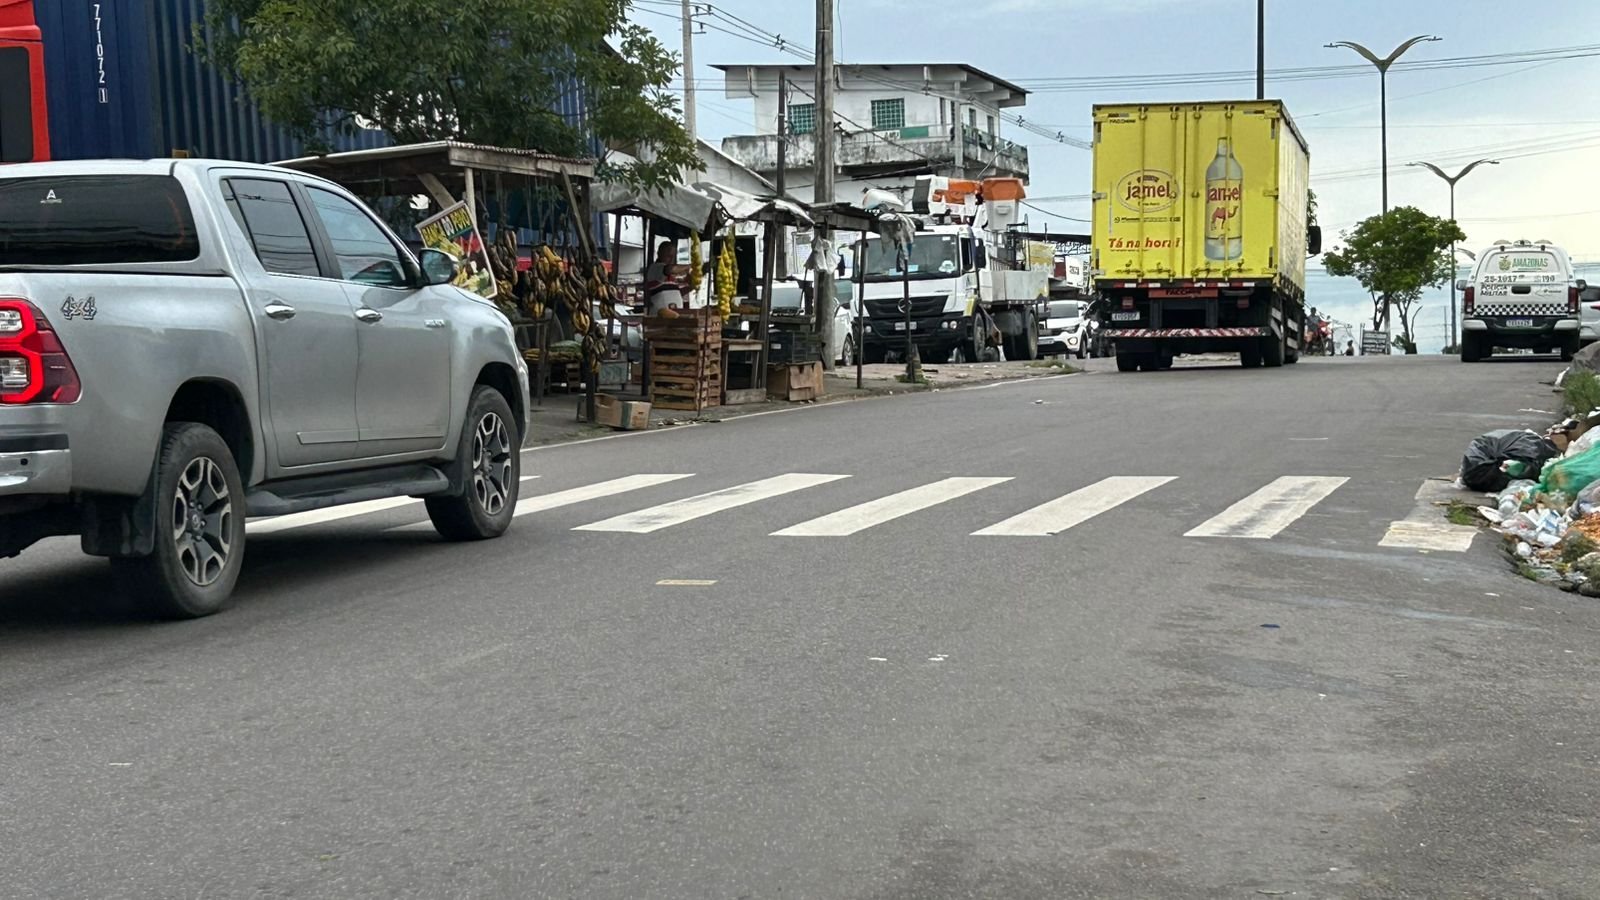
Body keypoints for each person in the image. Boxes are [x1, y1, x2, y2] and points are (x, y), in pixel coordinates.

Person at [643, 241, 686, 314]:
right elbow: (670, 269)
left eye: (674, 256)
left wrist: (691, 287)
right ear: (659, 254)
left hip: (674, 315)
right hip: (659, 317)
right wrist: (689, 266)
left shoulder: (671, 275)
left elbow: (674, 293)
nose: (672, 259)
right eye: (669, 256)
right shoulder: (655, 268)